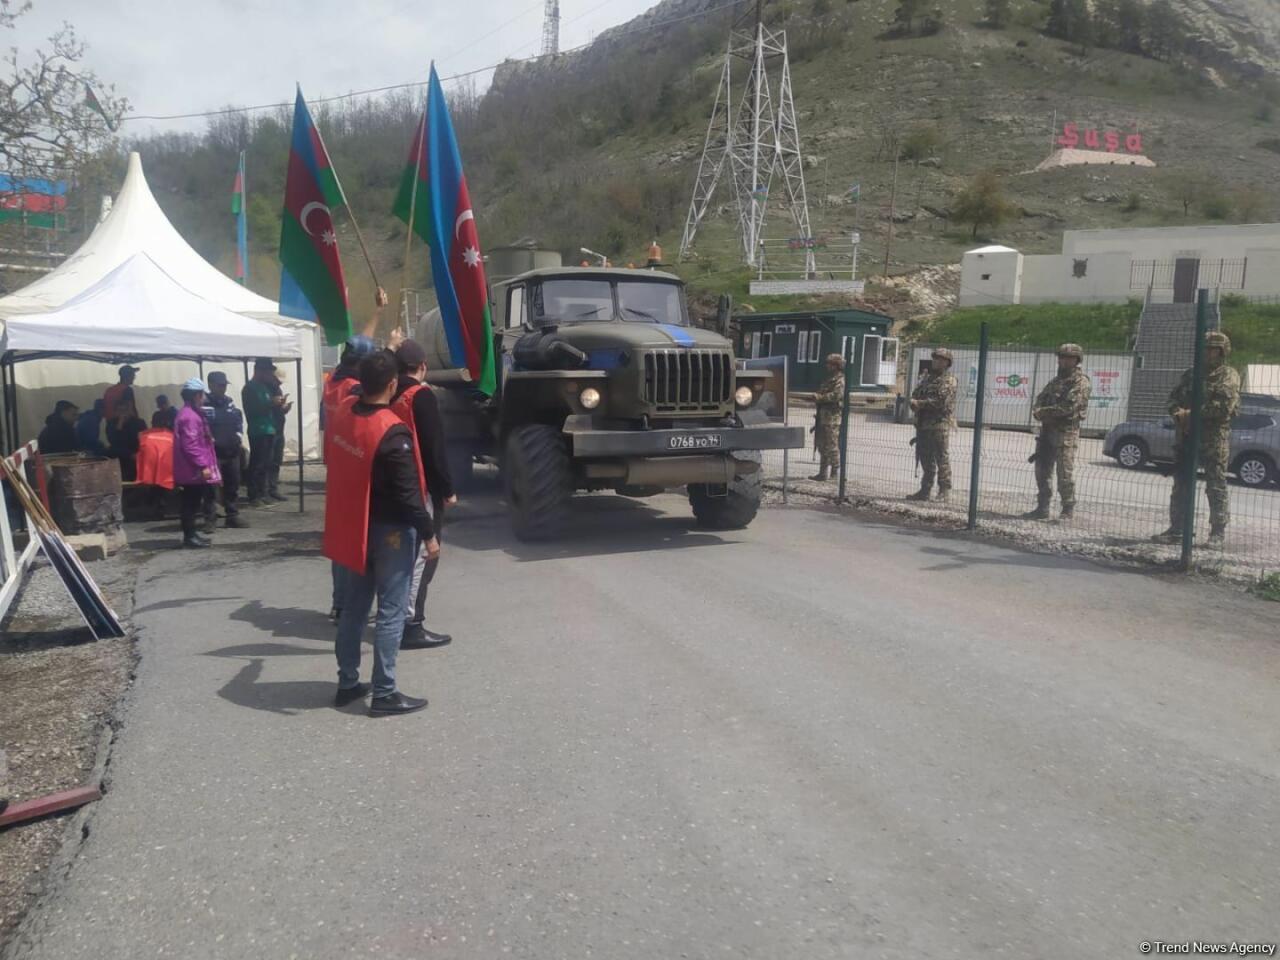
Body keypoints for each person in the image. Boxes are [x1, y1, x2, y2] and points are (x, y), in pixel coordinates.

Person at [325, 351, 437, 716]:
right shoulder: (392, 430)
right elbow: (408, 493)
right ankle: (385, 692)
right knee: (391, 611)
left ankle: (347, 683)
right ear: (392, 384)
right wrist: (429, 534)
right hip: (391, 532)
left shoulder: (344, 413)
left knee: (354, 609)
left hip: (355, 526)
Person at [392, 339, 457, 648]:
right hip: (420, 488)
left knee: (400, 558)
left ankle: (394, 616)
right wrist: (446, 489)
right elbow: (434, 449)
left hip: (394, 487)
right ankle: (411, 625)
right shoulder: (421, 396)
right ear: (422, 366)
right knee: (423, 557)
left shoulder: (388, 393)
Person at [1154, 331, 1241, 546]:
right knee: (1181, 484)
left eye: (1212, 349)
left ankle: (1217, 532)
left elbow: (1222, 407)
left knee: (1215, 484)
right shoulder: (1191, 374)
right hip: (1186, 436)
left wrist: (1190, 414)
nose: (1207, 353)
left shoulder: (1228, 375)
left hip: (1213, 438)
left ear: (1222, 351)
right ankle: (1178, 529)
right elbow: (1173, 398)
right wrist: (1177, 413)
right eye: (1204, 349)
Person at [324, 334, 379, 623]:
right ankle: (348, 606)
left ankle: (339, 603)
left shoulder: (332, 382)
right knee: (356, 542)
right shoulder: (352, 389)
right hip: (354, 464)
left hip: (336, 462)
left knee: (341, 539)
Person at [1023, 343, 1092, 521]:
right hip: (1047, 432)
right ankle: (1042, 507)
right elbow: (1039, 400)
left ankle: (1067, 508)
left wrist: (1043, 412)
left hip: (1065, 433)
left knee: (1064, 472)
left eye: (1069, 358)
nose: (1064, 361)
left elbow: (1068, 407)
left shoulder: (1081, 382)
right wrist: (1040, 411)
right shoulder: (1055, 381)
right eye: (1061, 357)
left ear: (1077, 360)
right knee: (1042, 470)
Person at [172, 378, 221, 549]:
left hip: (189, 466)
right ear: (196, 396)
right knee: (191, 503)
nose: (204, 398)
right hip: (191, 468)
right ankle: (189, 537)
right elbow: (191, 445)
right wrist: (203, 465)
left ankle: (192, 534)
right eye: (202, 395)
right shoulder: (190, 417)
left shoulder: (189, 413)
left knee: (192, 502)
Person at [906, 348, 957, 502]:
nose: (936, 361)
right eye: (935, 358)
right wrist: (913, 403)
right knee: (926, 458)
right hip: (923, 424)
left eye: (940, 359)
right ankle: (925, 490)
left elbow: (941, 402)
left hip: (939, 425)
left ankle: (944, 491)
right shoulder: (927, 379)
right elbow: (915, 394)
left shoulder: (949, 380)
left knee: (941, 458)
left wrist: (920, 404)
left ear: (947, 363)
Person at [205, 371, 248, 530]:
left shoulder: (229, 403)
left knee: (233, 484)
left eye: (224, 385)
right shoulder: (204, 405)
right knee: (211, 487)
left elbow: (238, 420)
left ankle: (232, 516)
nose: (223, 388)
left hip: (232, 451)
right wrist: (210, 440)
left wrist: (238, 435)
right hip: (213, 453)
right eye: (219, 385)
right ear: (210, 385)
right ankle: (210, 519)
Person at [242, 358, 283, 506]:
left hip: (269, 428)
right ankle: (253, 495)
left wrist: (278, 406)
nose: (269, 375)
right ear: (259, 371)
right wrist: (271, 403)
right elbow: (252, 410)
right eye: (267, 372)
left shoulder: (264, 387)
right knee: (257, 463)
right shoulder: (249, 388)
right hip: (258, 430)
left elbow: (268, 406)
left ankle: (263, 492)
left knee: (267, 463)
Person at [810, 354, 845, 482]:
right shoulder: (828, 379)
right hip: (822, 416)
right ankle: (822, 473)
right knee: (822, 445)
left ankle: (835, 473)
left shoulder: (840, 380)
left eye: (829, 364)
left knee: (832, 446)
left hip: (832, 418)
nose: (827, 366)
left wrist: (820, 397)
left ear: (836, 365)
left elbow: (836, 396)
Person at [136, 414, 175, 518]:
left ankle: (154, 503)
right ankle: (160, 504)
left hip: (148, 470)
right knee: (161, 481)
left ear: (152, 422)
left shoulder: (143, 435)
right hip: (167, 471)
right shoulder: (171, 436)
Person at [266, 371, 292, 503]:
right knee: (268, 460)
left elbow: (278, 409)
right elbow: (261, 408)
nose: (279, 383)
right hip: (270, 429)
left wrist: (284, 408)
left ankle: (273, 488)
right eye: (277, 380)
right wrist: (272, 403)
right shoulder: (265, 389)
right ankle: (265, 490)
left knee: (276, 460)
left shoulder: (277, 389)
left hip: (279, 428)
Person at [106, 403, 147, 482]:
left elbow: (144, 439)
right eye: (120, 410)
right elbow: (113, 441)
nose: (123, 413)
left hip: (135, 453)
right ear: (116, 412)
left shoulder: (139, 422)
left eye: (125, 410)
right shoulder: (111, 423)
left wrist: (138, 453)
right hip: (119, 454)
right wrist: (120, 424)